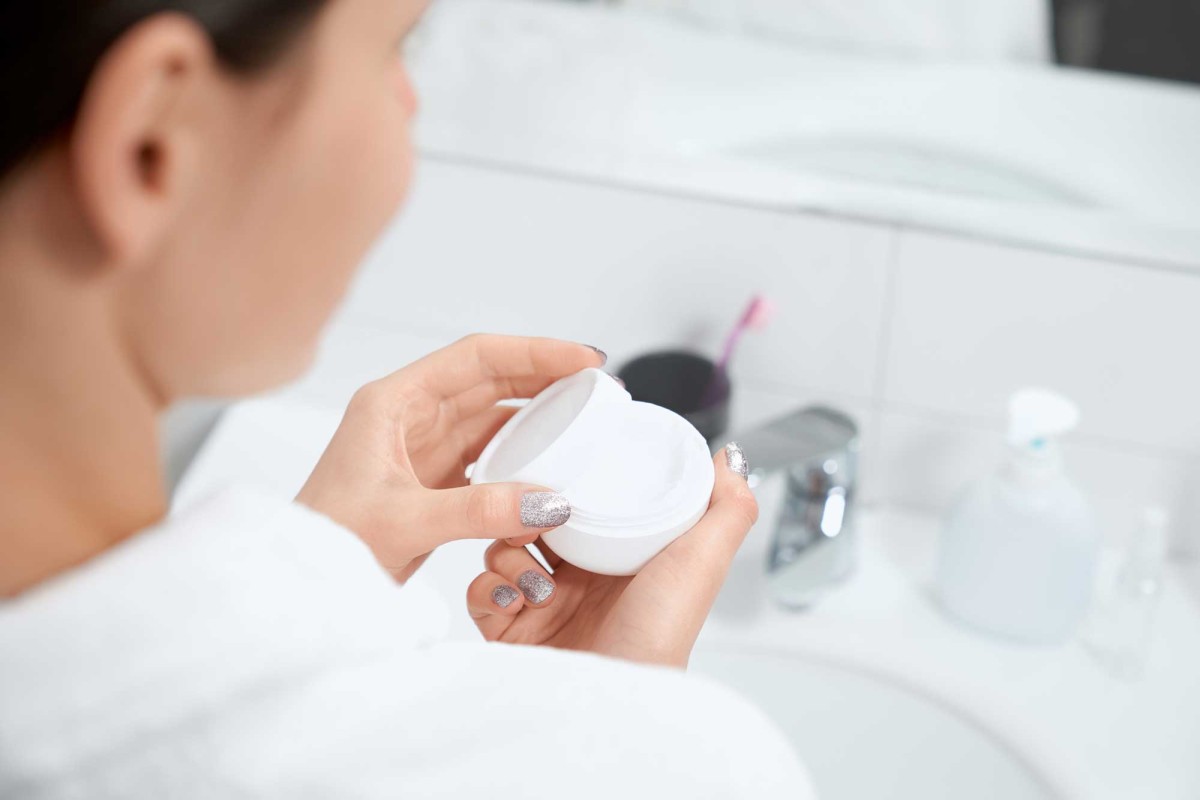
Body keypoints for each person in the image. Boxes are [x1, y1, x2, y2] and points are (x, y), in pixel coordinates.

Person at [0, 1, 813, 797]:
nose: (410, 104)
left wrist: (316, 571)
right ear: (153, 141)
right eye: (398, 48)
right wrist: (615, 739)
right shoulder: (694, 768)